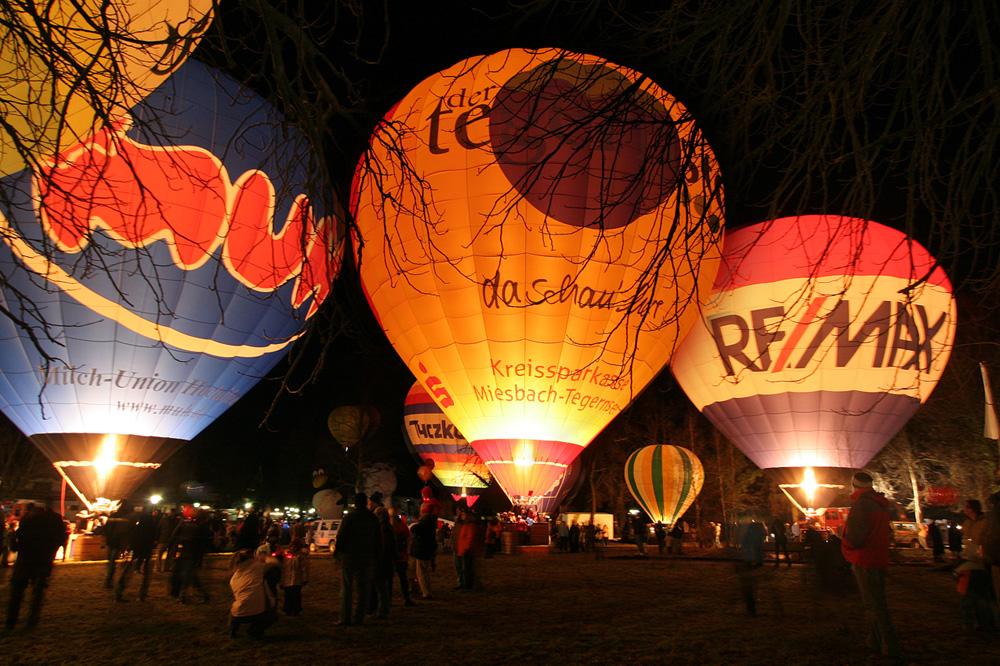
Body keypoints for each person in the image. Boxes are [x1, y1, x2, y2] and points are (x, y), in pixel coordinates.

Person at [841, 472, 903, 661]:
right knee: (877, 602)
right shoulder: (882, 504)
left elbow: (856, 537)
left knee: (874, 606)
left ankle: (888, 645)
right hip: (879, 558)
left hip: (864, 559)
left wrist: (844, 543)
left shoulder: (860, 504)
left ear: (854, 485)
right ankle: (874, 641)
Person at [5, 504, 66, 629]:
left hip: (24, 562)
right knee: (37, 594)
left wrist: (12, 536)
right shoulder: (53, 527)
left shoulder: (27, 524)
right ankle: (32, 621)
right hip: (44, 562)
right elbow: (61, 540)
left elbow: (15, 547)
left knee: (17, 594)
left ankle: (11, 621)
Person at [334, 492, 381, 625]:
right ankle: (359, 617)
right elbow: (378, 538)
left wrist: (338, 552)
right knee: (363, 589)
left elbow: (341, 536)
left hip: (350, 557)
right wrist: (376, 554)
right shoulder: (372, 518)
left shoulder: (350, 517)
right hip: (366, 557)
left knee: (347, 589)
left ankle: (345, 618)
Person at [228, 548, 279, 638]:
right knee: (272, 616)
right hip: (257, 611)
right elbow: (274, 562)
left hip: (238, 614)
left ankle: (233, 629)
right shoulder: (258, 566)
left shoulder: (234, 577)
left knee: (235, 606)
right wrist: (263, 558)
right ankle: (254, 630)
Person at [115, 505, 157, 602]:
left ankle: (119, 592)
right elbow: (152, 539)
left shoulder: (138, 528)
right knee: (146, 575)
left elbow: (133, 538)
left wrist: (130, 548)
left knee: (127, 572)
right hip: (146, 551)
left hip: (137, 550)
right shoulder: (151, 528)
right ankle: (142, 595)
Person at [389, 509, 415, 606]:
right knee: (403, 578)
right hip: (402, 555)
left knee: (389, 580)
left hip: (391, 555)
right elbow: (408, 538)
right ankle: (406, 598)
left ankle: (388, 599)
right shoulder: (402, 525)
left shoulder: (389, 526)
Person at [409, 512, 438, 600]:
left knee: (421, 573)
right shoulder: (430, 526)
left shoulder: (424, 526)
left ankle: (426, 593)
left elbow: (414, 529)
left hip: (421, 552)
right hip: (425, 552)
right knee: (423, 573)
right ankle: (427, 591)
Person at [102, 506, 132, 589]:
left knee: (110, 561)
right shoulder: (124, 519)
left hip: (111, 541)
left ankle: (108, 580)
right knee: (112, 562)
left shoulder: (112, 516)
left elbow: (105, 528)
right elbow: (125, 532)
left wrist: (107, 538)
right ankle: (109, 580)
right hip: (117, 542)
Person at [280, 537, 309, 617]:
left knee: (296, 595)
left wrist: (304, 579)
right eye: (292, 546)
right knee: (288, 596)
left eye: (295, 547)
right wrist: (282, 581)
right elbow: (283, 569)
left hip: (296, 580)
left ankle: (296, 609)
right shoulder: (286, 557)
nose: (293, 548)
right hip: (287, 580)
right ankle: (287, 609)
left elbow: (304, 569)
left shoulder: (301, 557)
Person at [155, 507, 180, 572]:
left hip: (170, 539)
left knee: (169, 555)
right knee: (160, 554)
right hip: (164, 539)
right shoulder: (165, 520)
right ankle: (159, 567)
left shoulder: (176, 521)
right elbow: (158, 529)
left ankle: (166, 567)